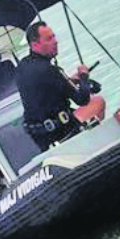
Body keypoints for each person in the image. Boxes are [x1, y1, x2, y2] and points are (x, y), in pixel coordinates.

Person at [17, 22, 106, 150]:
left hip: (39, 136)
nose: (55, 42)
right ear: (35, 45)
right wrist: (84, 77)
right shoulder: (50, 70)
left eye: (54, 36)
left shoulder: (22, 67)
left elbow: (43, 90)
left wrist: (69, 80)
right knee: (97, 101)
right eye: (49, 39)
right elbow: (82, 100)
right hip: (60, 131)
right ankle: (97, 144)